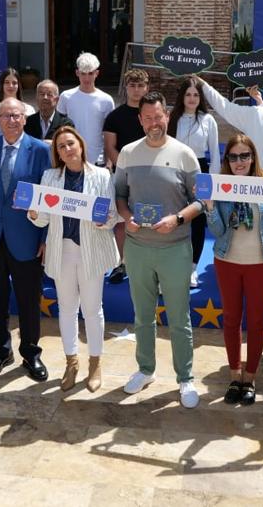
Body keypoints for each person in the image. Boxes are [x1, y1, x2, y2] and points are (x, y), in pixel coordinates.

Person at [113, 91, 204, 409]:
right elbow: (120, 195)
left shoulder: (184, 154)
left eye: (159, 116)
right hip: (138, 248)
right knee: (142, 317)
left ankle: (185, 378)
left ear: (168, 116)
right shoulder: (126, 153)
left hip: (175, 249)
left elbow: (202, 200)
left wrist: (178, 218)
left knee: (179, 319)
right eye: (148, 117)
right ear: (140, 120)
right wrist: (127, 219)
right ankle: (145, 369)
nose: (154, 122)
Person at [28, 126, 118, 392]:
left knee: (92, 309)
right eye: (61, 147)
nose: (67, 149)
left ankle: (95, 363)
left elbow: (113, 215)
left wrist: (103, 220)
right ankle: (72, 362)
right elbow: (43, 218)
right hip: (62, 249)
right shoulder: (50, 177)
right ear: (57, 153)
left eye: (70, 144)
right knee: (67, 309)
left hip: (91, 249)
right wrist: (33, 213)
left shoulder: (101, 175)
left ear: (80, 145)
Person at [204, 135, 263, 406]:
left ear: (253, 157)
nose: (239, 161)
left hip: (261, 263)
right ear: (227, 160)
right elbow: (217, 231)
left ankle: (250, 378)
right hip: (227, 261)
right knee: (231, 319)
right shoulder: (221, 186)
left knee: (255, 322)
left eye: (244, 155)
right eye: (233, 156)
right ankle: (234, 375)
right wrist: (208, 207)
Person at [0, 98, 52, 380]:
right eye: (5, 116)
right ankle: (1, 351)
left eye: (16, 115)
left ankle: (30, 354)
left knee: (29, 299)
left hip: (27, 237)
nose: (11, 121)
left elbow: (48, 197)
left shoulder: (41, 150)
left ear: (24, 118)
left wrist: (45, 236)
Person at [168, 76, 220, 288]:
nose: (191, 98)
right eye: (188, 94)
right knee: (174, 220)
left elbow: (215, 154)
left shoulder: (208, 120)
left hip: (200, 172)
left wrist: (212, 183)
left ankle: (191, 268)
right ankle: (172, 267)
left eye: (196, 95)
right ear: (182, 96)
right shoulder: (173, 118)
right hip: (174, 170)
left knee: (197, 223)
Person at [100, 68, 148, 284]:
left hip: (150, 175)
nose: (136, 90)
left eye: (140, 86)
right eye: (132, 85)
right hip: (122, 175)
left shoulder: (151, 115)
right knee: (122, 221)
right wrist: (128, 170)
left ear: (146, 88)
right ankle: (121, 263)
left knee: (148, 219)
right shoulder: (114, 117)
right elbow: (110, 148)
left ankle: (146, 264)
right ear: (126, 87)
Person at [58, 52, 115, 166]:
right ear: (77, 73)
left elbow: (110, 133)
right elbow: (59, 127)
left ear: (97, 73)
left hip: (98, 159)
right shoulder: (66, 96)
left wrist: (108, 161)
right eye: (83, 73)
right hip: (71, 156)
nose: (87, 78)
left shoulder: (106, 100)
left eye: (90, 73)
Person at [0, 67, 35, 139]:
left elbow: (33, 139)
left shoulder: (29, 110)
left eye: (14, 83)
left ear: (18, 85)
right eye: (7, 82)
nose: (11, 86)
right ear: (2, 85)